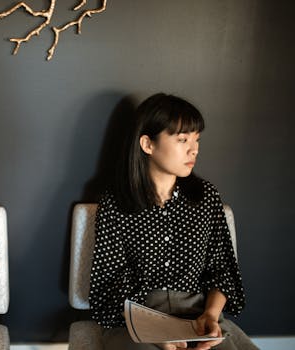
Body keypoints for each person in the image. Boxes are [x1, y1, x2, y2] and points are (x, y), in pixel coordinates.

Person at [89, 93, 258, 350]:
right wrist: (154, 331)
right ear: (147, 144)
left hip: (198, 317)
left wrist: (210, 316)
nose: (194, 149)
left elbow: (222, 270)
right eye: (182, 139)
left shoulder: (206, 197)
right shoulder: (116, 202)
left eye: (196, 139)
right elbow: (109, 283)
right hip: (134, 320)